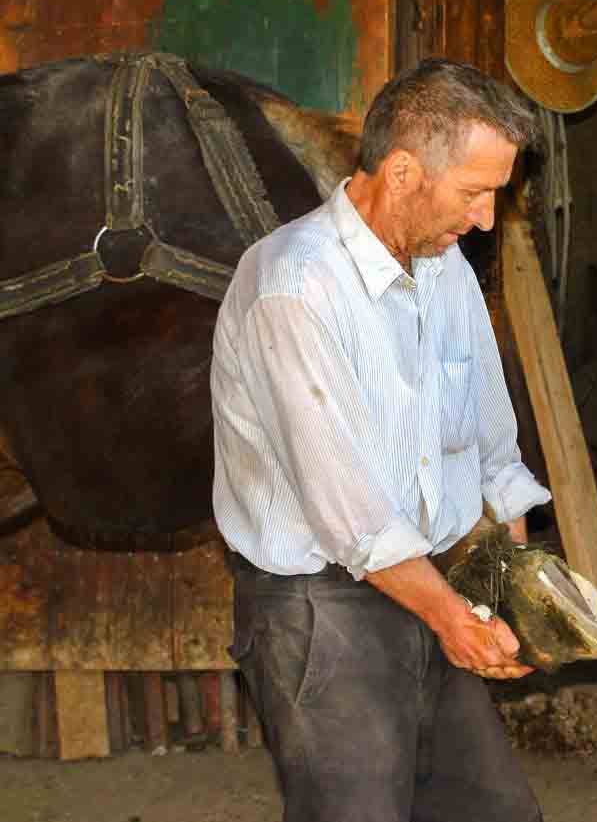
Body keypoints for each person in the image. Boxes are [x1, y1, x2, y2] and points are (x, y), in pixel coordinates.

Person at [210, 59, 551, 822]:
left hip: (430, 582)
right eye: (475, 192)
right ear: (401, 172)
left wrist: (509, 590)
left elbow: (492, 449)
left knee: (496, 813)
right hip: (319, 602)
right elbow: (352, 516)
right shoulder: (294, 289)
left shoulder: (445, 268)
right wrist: (453, 617)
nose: (488, 218)